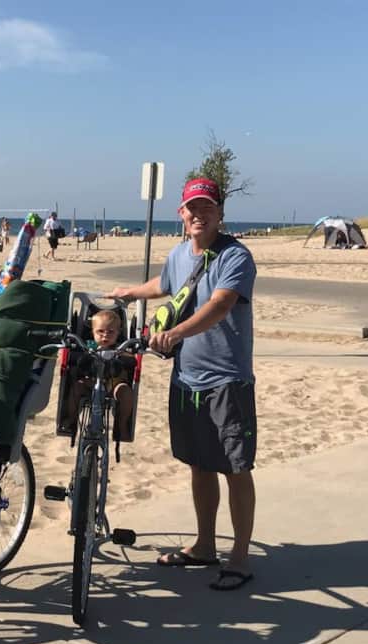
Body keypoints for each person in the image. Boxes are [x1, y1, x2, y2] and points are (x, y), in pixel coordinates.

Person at [110, 177, 257, 591]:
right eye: (192, 207)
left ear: (220, 213)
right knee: (199, 464)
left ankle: (240, 556)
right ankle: (205, 546)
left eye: (207, 207)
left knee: (235, 467)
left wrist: (176, 334)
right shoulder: (178, 253)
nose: (198, 214)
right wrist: (131, 292)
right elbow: (166, 286)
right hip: (187, 379)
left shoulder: (235, 256)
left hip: (227, 379)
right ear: (181, 213)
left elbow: (220, 304)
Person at [61, 309, 135, 460]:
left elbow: (132, 359)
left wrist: (125, 356)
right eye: (100, 331)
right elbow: (75, 356)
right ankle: (71, 419)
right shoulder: (88, 345)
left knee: (126, 393)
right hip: (92, 381)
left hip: (113, 383)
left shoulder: (121, 347)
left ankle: (121, 424)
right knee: (76, 387)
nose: (105, 335)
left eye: (110, 332)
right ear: (92, 331)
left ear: (118, 332)